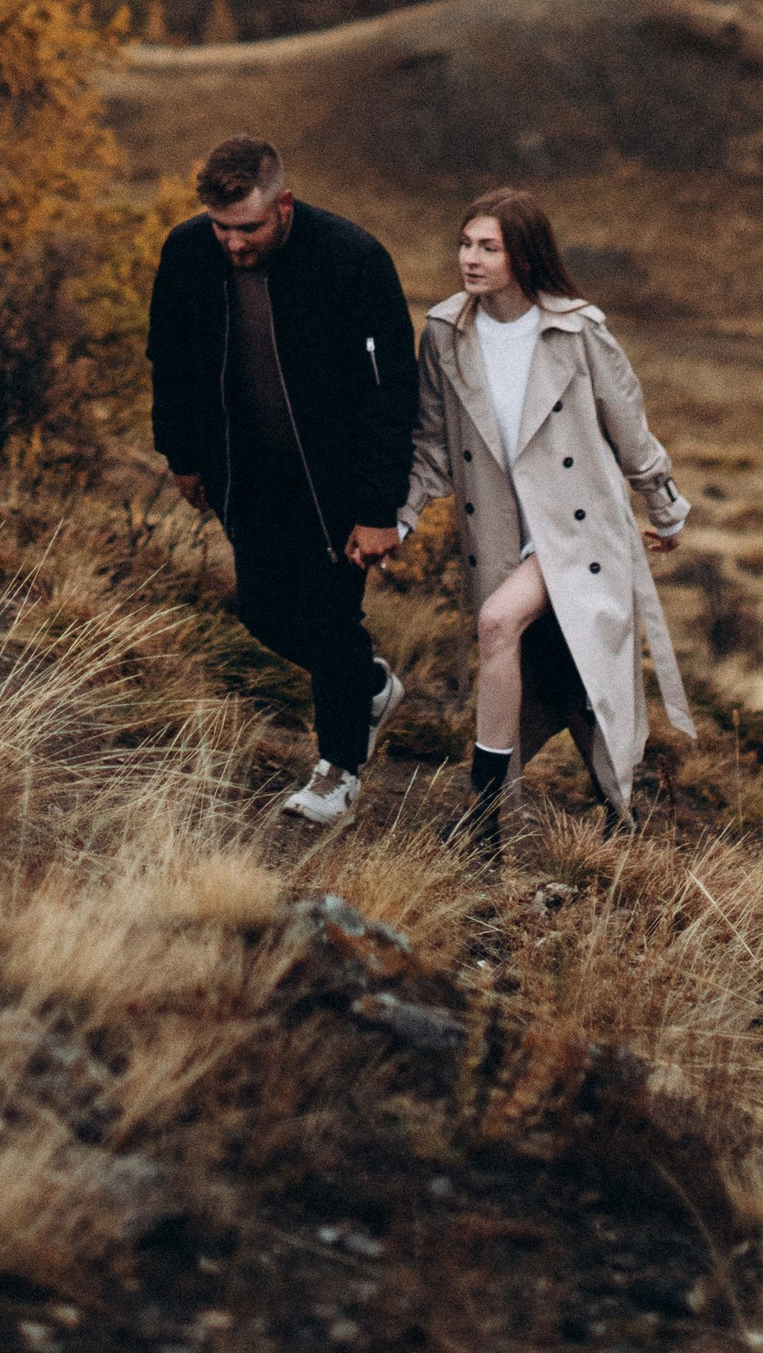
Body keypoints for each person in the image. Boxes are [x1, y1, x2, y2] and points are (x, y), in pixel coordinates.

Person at [398, 187, 693, 849]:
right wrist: (402, 516)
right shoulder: (446, 331)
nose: (470, 259)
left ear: (524, 256)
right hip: (500, 534)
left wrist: (664, 507)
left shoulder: (577, 329)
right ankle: (627, 822)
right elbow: (431, 445)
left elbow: (630, 427)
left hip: (580, 531)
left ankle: (482, 819)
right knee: (564, 681)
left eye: (488, 247)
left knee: (498, 625)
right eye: (466, 244)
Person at [147, 131, 418, 830]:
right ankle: (367, 688)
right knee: (263, 612)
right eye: (221, 228)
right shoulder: (186, 253)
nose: (233, 244)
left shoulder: (353, 261)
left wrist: (377, 507)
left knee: (330, 619)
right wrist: (182, 455)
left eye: (248, 228)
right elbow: (170, 361)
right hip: (248, 472)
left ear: (285, 204)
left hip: (336, 484)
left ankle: (338, 773)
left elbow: (390, 395)